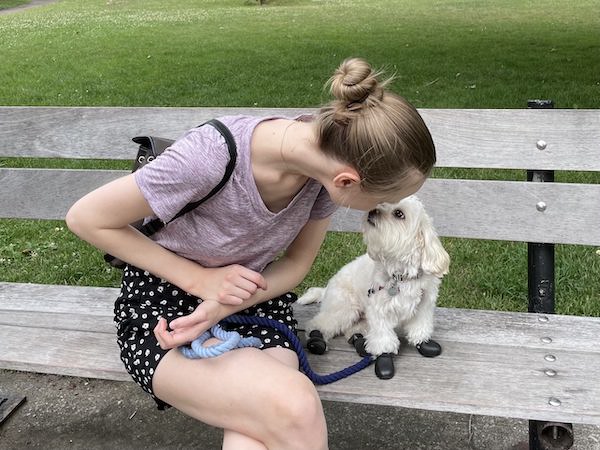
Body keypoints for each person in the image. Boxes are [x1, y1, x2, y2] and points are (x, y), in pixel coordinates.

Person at [66, 57, 436, 450]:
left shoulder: (324, 175)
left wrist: (222, 304)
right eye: (381, 199)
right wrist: (201, 282)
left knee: (264, 426)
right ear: (347, 181)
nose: (375, 208)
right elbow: (86, 218)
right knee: (294, 406)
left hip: (253, 300)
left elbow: (295, 265)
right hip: (163, 309)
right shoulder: (209, 156)